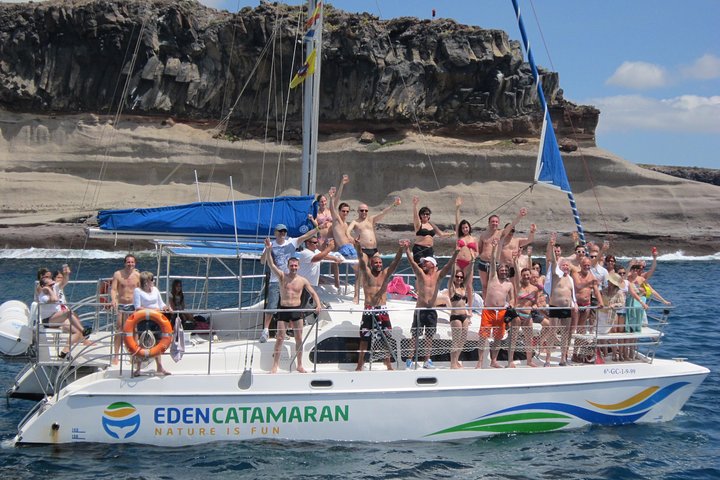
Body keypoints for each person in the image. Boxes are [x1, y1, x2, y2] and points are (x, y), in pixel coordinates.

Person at [262, 238, 322, 374]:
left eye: (295, 266)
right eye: (291, 266)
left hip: (297, 311)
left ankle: (299, 365)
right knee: (280, 338)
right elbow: (271, 264)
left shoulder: (303, 280)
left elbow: (313, 293)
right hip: (284, 310)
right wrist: (269, 250)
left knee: (299, 338)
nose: (294, 268)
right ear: (288, 266)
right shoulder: (282, 276)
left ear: (299, 267)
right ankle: (275, 366)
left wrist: (318, 305)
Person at [259, 223, 318, 343]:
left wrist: (318, 228)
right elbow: (262, 261)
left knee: (287, 306)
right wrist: (267, 249)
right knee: (272, 306)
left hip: (290, 280)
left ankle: (282, 331)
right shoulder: (270, 245)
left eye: (284, 231)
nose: (282, 233)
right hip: (276, 280)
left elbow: (306, 236)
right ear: (275, 233)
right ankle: (265, 330)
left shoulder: (291, 242)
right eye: (280, 231)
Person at [353, 238, 404, 371]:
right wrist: (358, 246)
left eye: (380, 262)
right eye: (376, 262)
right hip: (369, 309)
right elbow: (361, 259)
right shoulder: (367, 273)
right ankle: (360, 364)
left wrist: (401, 249)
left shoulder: (385, 274)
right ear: (371, 264)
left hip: (382, 309)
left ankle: (388, 363)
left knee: (386, 337)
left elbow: (396, 262)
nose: (379, 264)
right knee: (364, 338)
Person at [405, 245, 459, 369]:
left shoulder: (438, 276)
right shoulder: (420, 274)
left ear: (433, 265)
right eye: (423, 262)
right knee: (415, 336)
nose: (423, 264)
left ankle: (427, 360)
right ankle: (409, 360)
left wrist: (456, 253)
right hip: (420, 310)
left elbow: (448, 266)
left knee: (429, 336)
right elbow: (412, 263)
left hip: (431, 310)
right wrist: (407, 250)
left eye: (426, 262)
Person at [348, 195, 402, 303]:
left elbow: (383, 213)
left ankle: (380, 292)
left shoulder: (371, 219)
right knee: (361, 271)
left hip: (374, 249)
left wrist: (394, 204)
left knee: (379, 270)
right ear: (358, 211)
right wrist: (352, 239)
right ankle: (356, 295)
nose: (364, 212)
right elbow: (347, 232)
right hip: (363, 250)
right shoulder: (355, 222)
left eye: (366, 210)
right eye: (362, 210)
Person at [476, 237, 515, 369]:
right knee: (483, 337)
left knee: (498, 337)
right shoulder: (493, 277)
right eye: (501, 269)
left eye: (505, 270)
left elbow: (512, 298)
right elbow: (492, 262)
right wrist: (494, 248)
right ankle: (480, 361)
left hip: (502, 312)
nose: (503, 271)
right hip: (488, 311)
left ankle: (494, 360)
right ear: (498, 271)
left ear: (508, 272)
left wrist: (511, 305)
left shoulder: (509, 284)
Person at [37, 277, 91, 358]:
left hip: (57, 318)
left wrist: (66, 274)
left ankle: (65, 351)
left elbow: (64, 282)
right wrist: (48, 290)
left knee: (76, 332)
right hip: (48, 321)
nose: (53, 286)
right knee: (68, 312)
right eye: (50, 285)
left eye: (53, 284)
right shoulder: (43, 297)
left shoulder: (54, 289)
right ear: (43, 286)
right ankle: (83, 330)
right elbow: (55, 299)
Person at [477, 208, 526, 297]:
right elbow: (479, 249)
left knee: (495, 286)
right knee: (484, 286)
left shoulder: (501, 233)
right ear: (489, 223)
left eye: (496, 222)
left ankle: (496, 302)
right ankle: (485, 304)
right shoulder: (483, 235)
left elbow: (511, 225)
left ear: (498, 223)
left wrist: (520, 216)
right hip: (483, 263)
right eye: (493, 221)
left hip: (495, 264)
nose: (494, 223)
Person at [546, 233, 578, 366]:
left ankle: (563, 358)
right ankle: (548, 359)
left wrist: (575, 303)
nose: (565, 267)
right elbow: (554, 261)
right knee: (552, 332)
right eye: (563, 265)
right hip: (555, 307)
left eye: (567, 266)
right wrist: (552, 245)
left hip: (566, 308)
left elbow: (572, 294)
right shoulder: (556, 274)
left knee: (565, 333)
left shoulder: (570, 279)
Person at [132, 271, 172, 375]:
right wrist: (153, 311)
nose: (153, 281)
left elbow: (161, 303)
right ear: (146, 281)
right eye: (152, 280)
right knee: (143, 342)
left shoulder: (155, 290)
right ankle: (138, 368)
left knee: (158, 342)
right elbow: (137, 307)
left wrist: (166, 307)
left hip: (157, 319)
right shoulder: (138, 291)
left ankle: (159, 367)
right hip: (144, 319)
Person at [110, 254, 141, 365]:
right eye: (128, 262)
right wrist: (113, 300)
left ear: (135, 263)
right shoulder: (118, 274)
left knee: (134, 330)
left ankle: (134, 354)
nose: (130, 264)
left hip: (133, 305)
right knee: (120, 329)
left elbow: (141, 290)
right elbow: (114, 289)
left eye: (132, 262)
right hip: (122, 305)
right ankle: (116, 355)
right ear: (125, 263)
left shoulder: (138, 275)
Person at [508, 266, 539, 367]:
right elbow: (516, 275)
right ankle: (510, 361)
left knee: (528, 339)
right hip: (517, 314)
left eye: (527, 275)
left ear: (530, 276)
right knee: (513, 338)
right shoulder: (518, 286)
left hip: (527, 315)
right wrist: (515, 263)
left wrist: (535, 306)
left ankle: (529, 361)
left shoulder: (535, 289)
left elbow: (535, 302)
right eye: (524, 275)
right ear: (521, 276)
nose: (526, 277)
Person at [412, 195, 453, 264]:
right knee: (421, 266)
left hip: (429, 249)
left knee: (430, 267)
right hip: (419, 249)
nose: (425, 215)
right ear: (420, 215)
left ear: (429, 215)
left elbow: (441, 234)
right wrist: (415, 205)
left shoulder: (431, 224)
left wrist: (453, 234)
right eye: (423, 214)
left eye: (427, 214)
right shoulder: (418, 224)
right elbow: (415, 217)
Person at [454, 196, 479, 307]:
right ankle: (456, 304)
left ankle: (469, 308)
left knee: (468, 285)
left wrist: (474, 256)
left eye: (466, 227)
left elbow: (477, 252)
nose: (465, 229)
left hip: (469, 263)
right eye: (463, 228)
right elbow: (457, 222)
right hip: (458, 262)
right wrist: (457, 208)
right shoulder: (459, 237)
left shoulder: (474, 239)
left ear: (469, 228)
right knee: (456, 283)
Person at [596, 272, 626, 360]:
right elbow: (597, 297)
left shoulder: (619, 292)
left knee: (612, 333)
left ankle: (614, 354)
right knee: (601, 334)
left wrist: (614, 305)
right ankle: (604, 353)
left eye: (610, 281)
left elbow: (622, 303)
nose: (608, 282)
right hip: (601, 313)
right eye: (609, 281)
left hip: (611, 314)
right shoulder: (604, 290)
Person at [572, 257, 604, 336]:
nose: (586, 267)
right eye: (585, 265)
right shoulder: (576, 274)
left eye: (588, 265)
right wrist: (589, 283)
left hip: (586, 304)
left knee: (581, 327)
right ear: (581, 265)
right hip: (576, 304)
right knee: (573, 327)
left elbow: (596, 291)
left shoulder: (592, 277)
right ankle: (568, 343)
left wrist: (600, 302)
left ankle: (578, 344)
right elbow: (578, 285)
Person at [447, 266, 471, 369]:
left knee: (463, 340)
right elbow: (451, 276)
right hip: (455, 316)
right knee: (456, 340)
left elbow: (468, 276)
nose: (459, 279)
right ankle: (452, 363)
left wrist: (472, 263)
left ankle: (456, 360)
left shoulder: (463, 288)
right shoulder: (452, 288)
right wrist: (454, 262)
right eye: (457, 276)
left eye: (461, 277)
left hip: (464, 316)